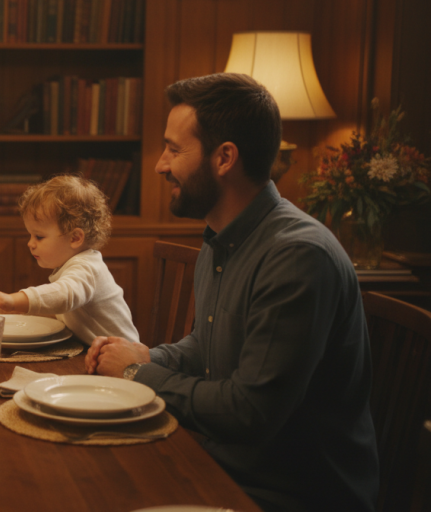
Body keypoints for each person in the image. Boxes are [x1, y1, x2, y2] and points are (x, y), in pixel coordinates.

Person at [85, 73, 379, 511]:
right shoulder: (221, 236)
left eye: (174, 148)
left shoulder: (297, 256)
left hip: (288, 494)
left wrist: (137, 374)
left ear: (224, 158)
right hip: (224, 466)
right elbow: (207, 347)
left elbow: (249, 412)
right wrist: (145, 356)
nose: (160, 164)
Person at [0, 175, 137, 345]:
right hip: (92, 353)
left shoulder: (87, 267)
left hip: (125, 363)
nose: (30, 243)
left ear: (75, 238)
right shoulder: (72, 265)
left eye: (39, 236)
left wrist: (14, 301)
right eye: (30, 235)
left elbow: (64, 295)